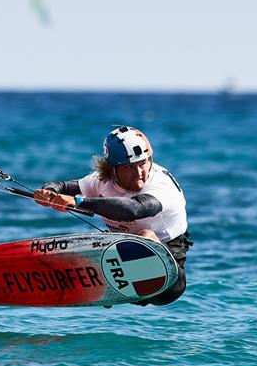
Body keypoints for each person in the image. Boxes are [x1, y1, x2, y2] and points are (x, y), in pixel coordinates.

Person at [33, 125, 192, 306]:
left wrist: (78, 202)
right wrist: (49, 193)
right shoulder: (102, 180)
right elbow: (63, 186)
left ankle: (113, 284)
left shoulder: (161, 184)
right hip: (123, 262)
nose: (140, 173)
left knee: (145, 236)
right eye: (130, 167)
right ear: (113, 168)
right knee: (95, 243)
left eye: (143, 163)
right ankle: (110, 284)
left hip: (168, 280)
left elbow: (134, 209)